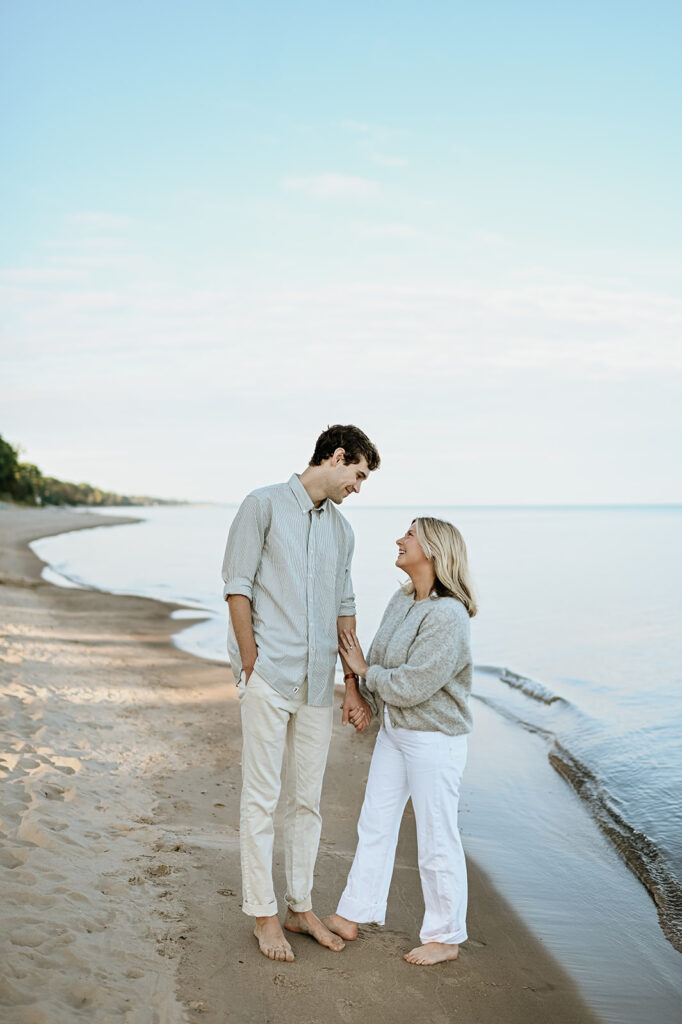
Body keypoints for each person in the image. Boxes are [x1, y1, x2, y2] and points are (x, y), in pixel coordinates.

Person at [222, 424, 380, 963]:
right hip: (269, 677)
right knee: (261, 801)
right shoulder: (261, 505)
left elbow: (345, 609)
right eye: (357, 475)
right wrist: (250, 662)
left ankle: (299, 906)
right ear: (337, 457)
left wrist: (351, 685)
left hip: (316, 684)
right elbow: (237, 585)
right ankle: (264, 915)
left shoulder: (343, 532)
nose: (357, 487)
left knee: (307, 803)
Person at [323, 516, 477, 966]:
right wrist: (364, 698)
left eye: (409, 534)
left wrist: (367, 674)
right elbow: (382, 660)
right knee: (375, 823)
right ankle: (353, 913)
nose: (399, 539)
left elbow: (413, 684)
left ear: (433, 549)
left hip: (435, 739)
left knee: (436, 838)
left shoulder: (448, 615)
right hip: (396, 732)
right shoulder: (402, 598)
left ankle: (445, 937)